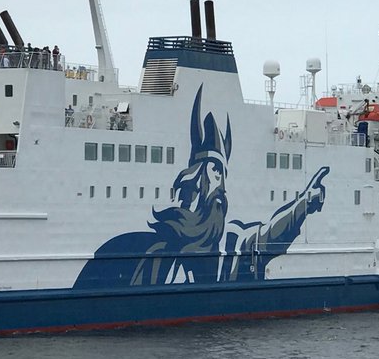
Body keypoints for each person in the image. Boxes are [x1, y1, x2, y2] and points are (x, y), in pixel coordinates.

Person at [74, 87, 328, 288]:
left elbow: (269, 236)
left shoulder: (230, 243)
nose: (217, 191)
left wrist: (304, 203)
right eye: (210, 178)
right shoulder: (141, 253)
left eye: (221, 178)